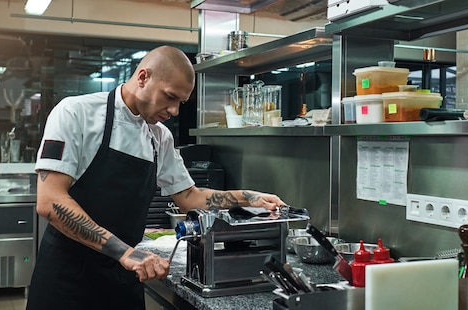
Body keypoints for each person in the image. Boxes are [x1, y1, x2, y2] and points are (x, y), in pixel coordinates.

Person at [26, 46, 286, 310]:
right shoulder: (76, 113)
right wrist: (125, 252)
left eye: (180, 103)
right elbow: (51, 201)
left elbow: (190, 198)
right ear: (142, 78)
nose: (174, 110)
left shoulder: (159, 137)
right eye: (170, 97)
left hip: (124, 278)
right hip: (68, 278)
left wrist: (249, 197)